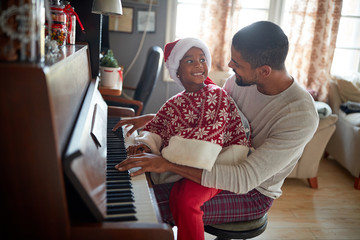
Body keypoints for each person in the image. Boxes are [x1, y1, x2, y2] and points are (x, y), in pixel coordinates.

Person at [114, 21, 319, 240]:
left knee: (145, 207)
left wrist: (168, 164)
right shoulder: (239, 81)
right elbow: (210, 120)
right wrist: (159, 119)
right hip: (216, 164)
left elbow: (243, 178)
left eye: (237, 63)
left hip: (252, 192)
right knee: (142, 187)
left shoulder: (300, 115)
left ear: (264, 71)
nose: (230, 65)